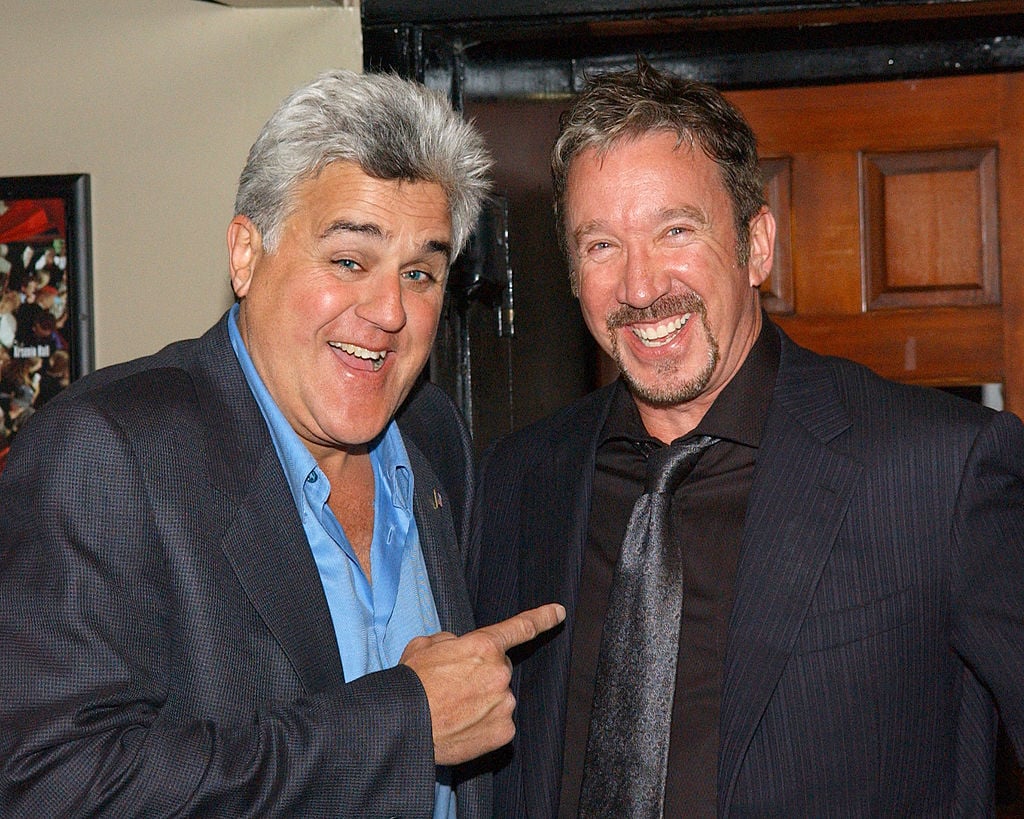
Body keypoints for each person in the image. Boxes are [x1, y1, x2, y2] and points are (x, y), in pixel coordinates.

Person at [0, 68, 564, 817]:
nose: (390, 310)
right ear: (245, 254)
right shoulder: (105, 453)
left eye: (421, 272)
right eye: (349, 261)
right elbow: (54, 786)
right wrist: (403, 725)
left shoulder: (435, 438)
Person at [469, 60, 1024, 816]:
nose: (639, 287)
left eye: (675, 230)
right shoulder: (516, 479)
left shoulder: (941, 472)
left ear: (755, 244)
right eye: (601, 246)